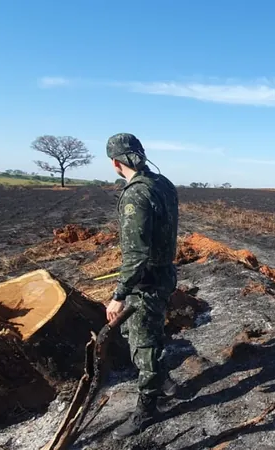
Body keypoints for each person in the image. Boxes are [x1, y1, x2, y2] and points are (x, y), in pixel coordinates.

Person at [104, 132, 179, 438]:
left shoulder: (135, 195)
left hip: (145, 281)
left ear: (114, 163)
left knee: (144, 344)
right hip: (163, 275)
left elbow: (136, 253)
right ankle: (164, 380)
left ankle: (147, 409)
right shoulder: (164, 184)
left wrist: (118, 295)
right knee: (140, 331)